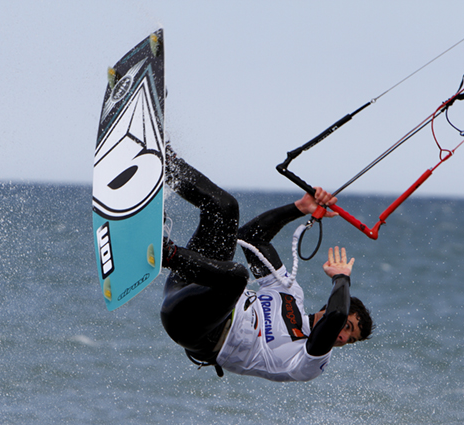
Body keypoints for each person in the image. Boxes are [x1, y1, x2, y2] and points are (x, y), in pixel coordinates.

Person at [160, 147, 373, 381]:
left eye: (349, 340)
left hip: (194, 328)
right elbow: (252, 237)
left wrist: (341, 277)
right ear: (330, 305)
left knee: (238, 277)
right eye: (348, 327)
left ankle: (165, 252)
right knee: (225, 208)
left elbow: (335, 317)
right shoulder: (290, 293)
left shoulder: (309, 361)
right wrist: (300, 208)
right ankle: (165, 163)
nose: (342, 338)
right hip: (187, 287)